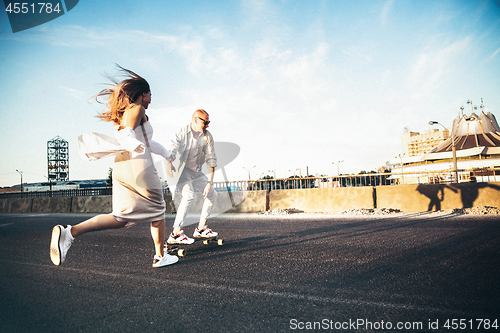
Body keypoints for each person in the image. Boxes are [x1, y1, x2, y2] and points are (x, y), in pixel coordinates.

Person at [50, 65, 178, 268]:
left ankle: (70, 232)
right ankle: (160, 256)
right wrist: (133, 143)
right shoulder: (137, 109)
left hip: (122, 164)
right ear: (142, 93)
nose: (151, 98)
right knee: (158, 210)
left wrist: (167, 154)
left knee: (121, 216)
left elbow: (146, 141)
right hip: (139, 165)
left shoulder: (126, 113)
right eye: (149, 93)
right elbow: (128, 133)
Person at [165, 109, 218, 244]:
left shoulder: (207, 137)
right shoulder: (181, 133)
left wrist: (210, 183)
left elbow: (211, 159)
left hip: (196, 172)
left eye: (208, 122)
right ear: (195, 120)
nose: (207, 125)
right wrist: (169, 162)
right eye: (205, 122)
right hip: (182, 172)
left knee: (213, 194)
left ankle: (201, 228)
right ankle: (176, 233)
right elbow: (172, 149)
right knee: (189, 195)